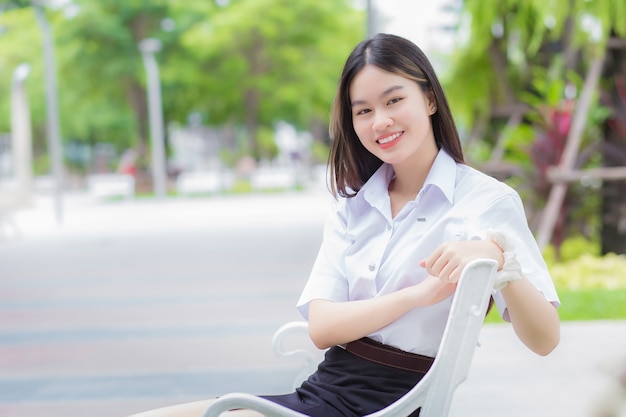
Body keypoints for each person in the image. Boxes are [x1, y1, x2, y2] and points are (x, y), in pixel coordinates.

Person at [130, 33, 560, 417]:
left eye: (394, 101)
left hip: (394, 403)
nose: (380, 122)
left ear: (429, 99)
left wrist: (501, 260)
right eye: (364, 110)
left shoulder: (486, 201)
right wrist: (416, 295)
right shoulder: (353, 205)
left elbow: (544, 340)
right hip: (326, 392)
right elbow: (323, 328)